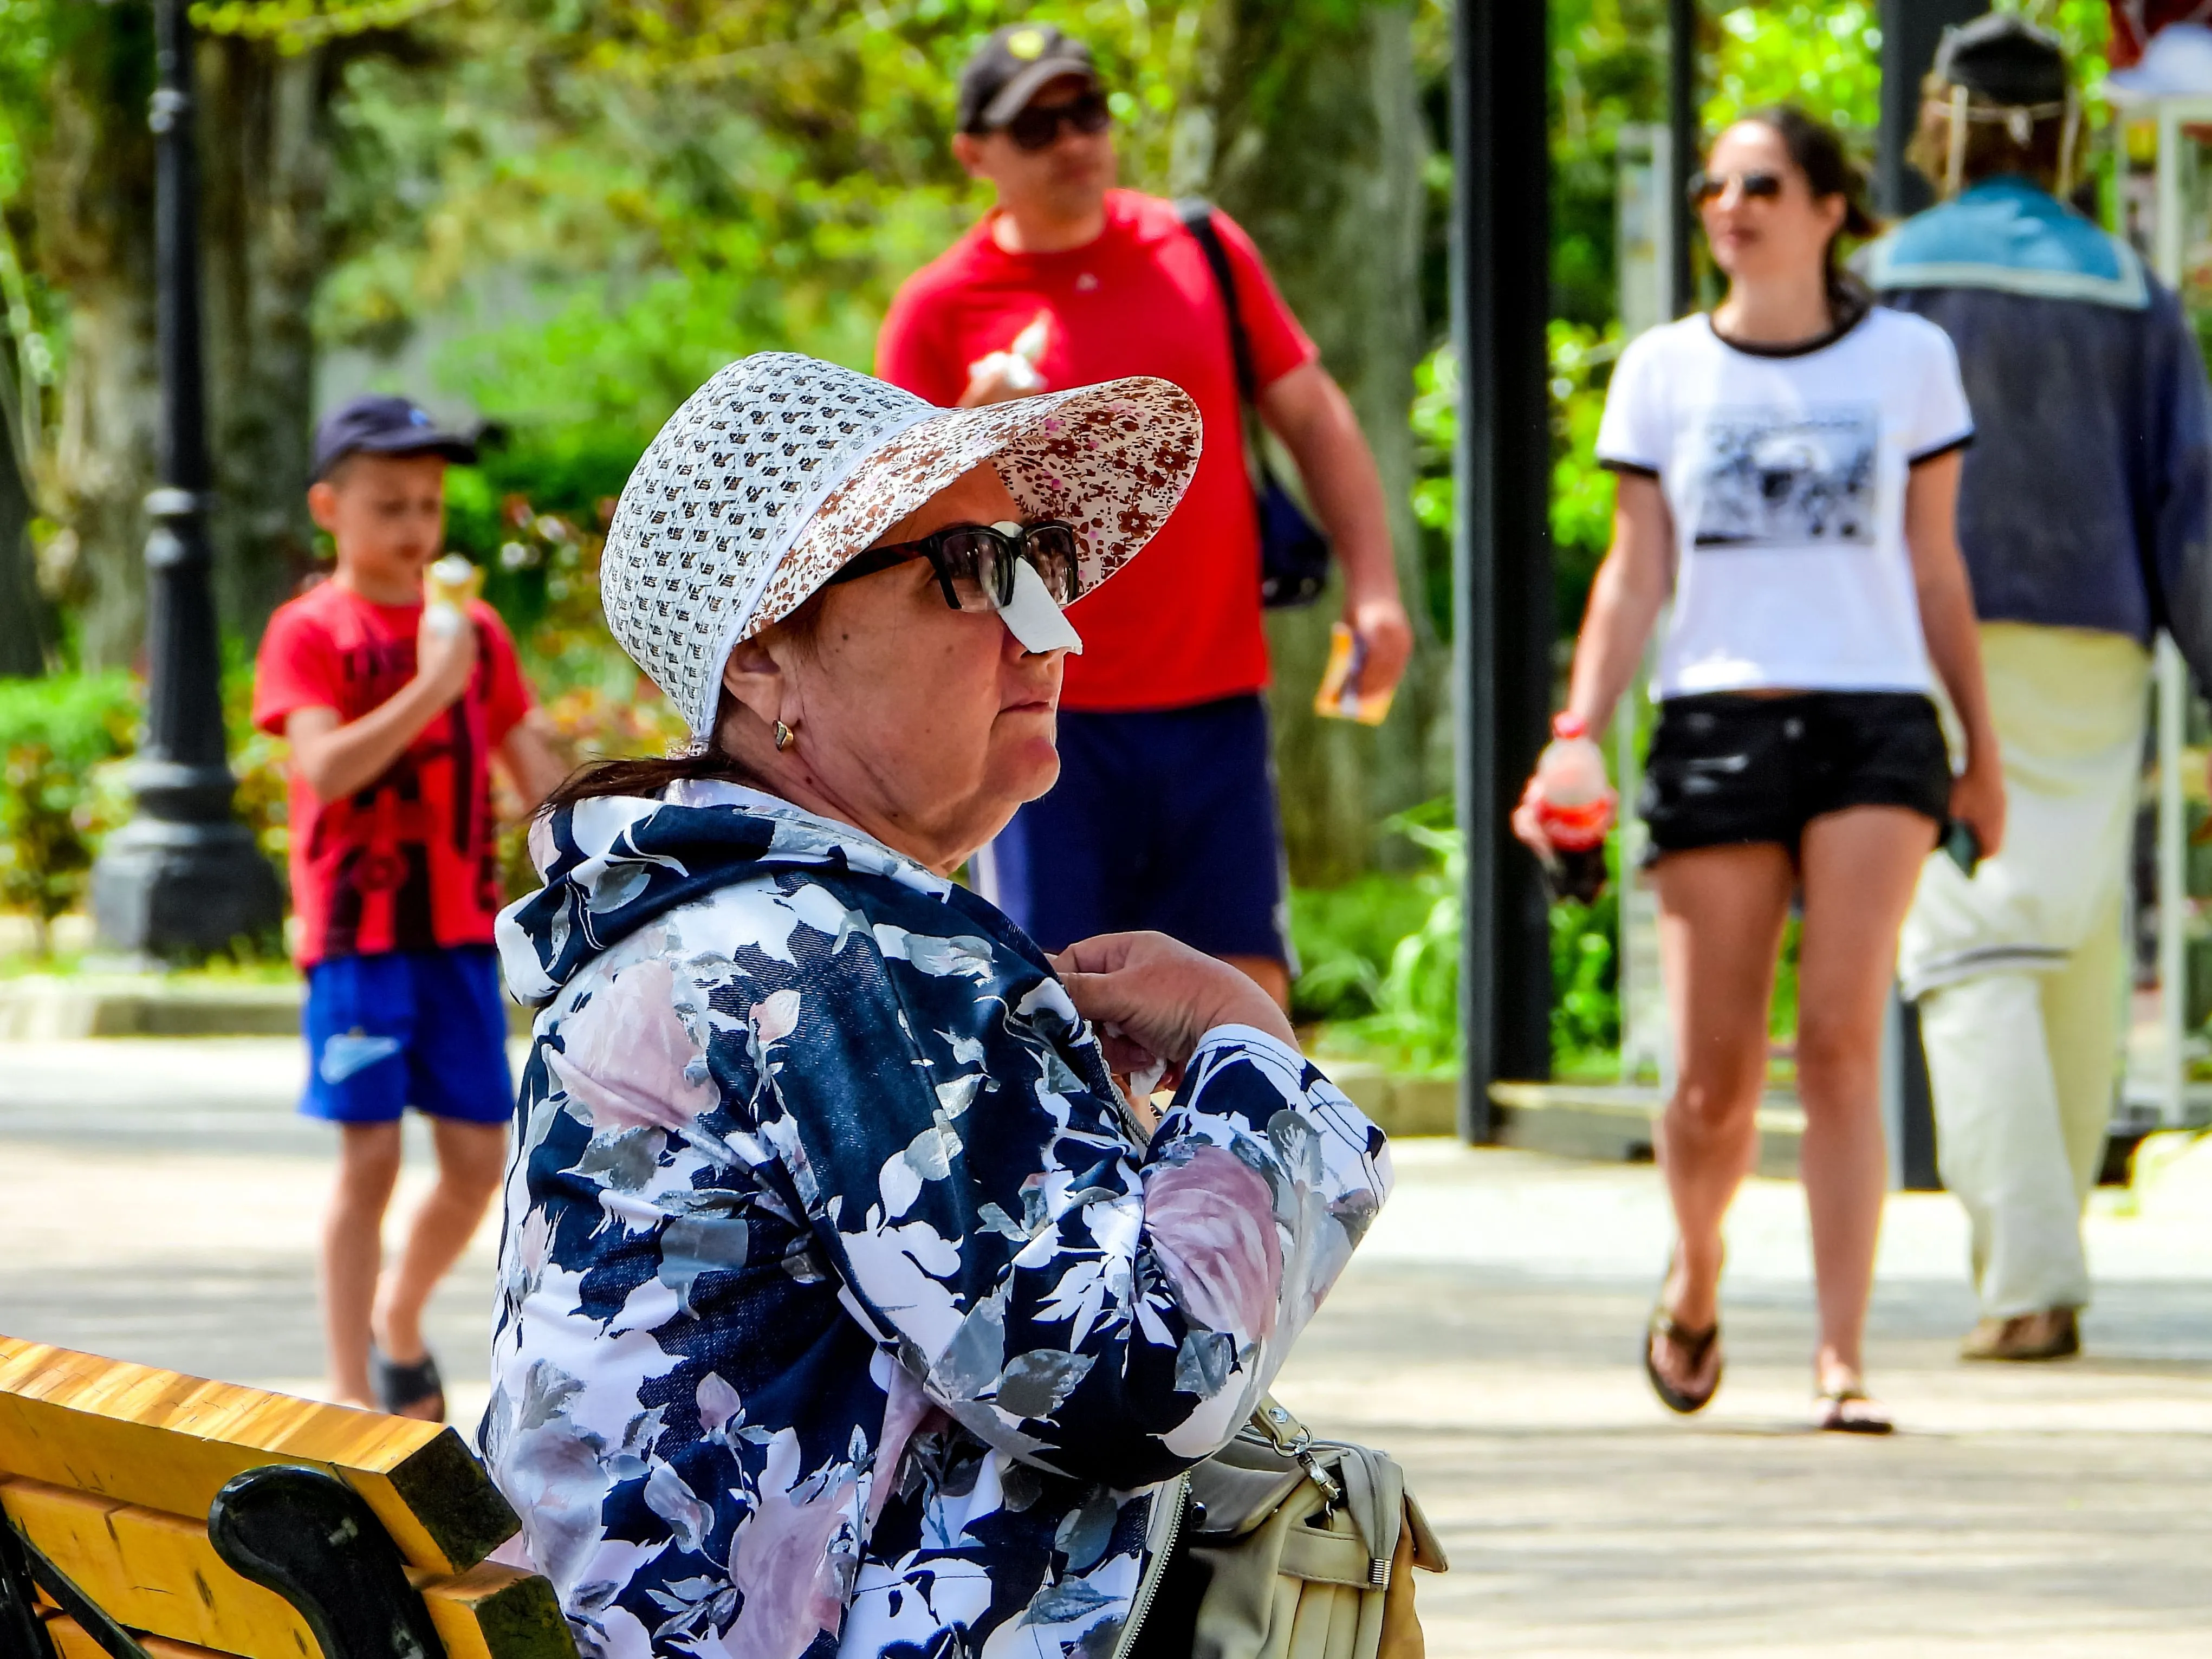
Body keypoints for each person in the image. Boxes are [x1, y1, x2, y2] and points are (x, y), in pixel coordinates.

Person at [481, 353, 1391, 1659]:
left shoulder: (712, 926)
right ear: (764, 663)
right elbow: (1134, 1381)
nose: (1047, 628)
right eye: (967, 571)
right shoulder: (832, 961)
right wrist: (1249, 1057)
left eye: (1039, 560)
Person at [1516, 107, 2005, 1433]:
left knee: (1845, 1042)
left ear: (1829, 206)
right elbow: (1635, 569)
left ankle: (1841, 1353)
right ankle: (1698, 1266)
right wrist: (1578, 726)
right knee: (1709, 1074)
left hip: (1876, 725)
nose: (1732, 203)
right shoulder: (1663, 370)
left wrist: (1980, 745)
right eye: (1712, 183)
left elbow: (1934, 562)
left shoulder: (1911, 357)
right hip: (1715, 721)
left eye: (1763, 182)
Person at [875, 23, 1415, 1007]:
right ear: (974, 155)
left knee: (1244, 993)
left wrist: (1374, 586)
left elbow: (1313, 413)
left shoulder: (1197, 247)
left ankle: (1254, 1167)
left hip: (1213, 699)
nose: (1074, 139)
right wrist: (967, 427)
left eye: (1086, 110)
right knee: (1058, 1004)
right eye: (1036, 126)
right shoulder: (939, 308)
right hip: (1034, 716)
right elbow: (888, 535)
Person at [1865, 16, 2212, 1363]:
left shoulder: (1884, 279)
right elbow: (2190, 511)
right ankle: (2050, 1252)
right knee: (2062, 944)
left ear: (1943, 127)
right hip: (2096, 640)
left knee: (1963, 945)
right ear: (2065, 135)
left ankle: (2025, 1277)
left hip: (1924, 639)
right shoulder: (2129, 289)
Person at [252, 395, 566, 1420]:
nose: (414, 526)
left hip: (455, 933)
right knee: (371, 1155)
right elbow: (325, 767)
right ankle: (347, 1390)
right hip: (358, 938)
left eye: (428, 504)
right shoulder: (311, 631)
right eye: (388, 504)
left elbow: (536, 773)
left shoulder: (471, 629)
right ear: (328, 509)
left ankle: (399, 1317)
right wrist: (434, 688)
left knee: (479, 1158)